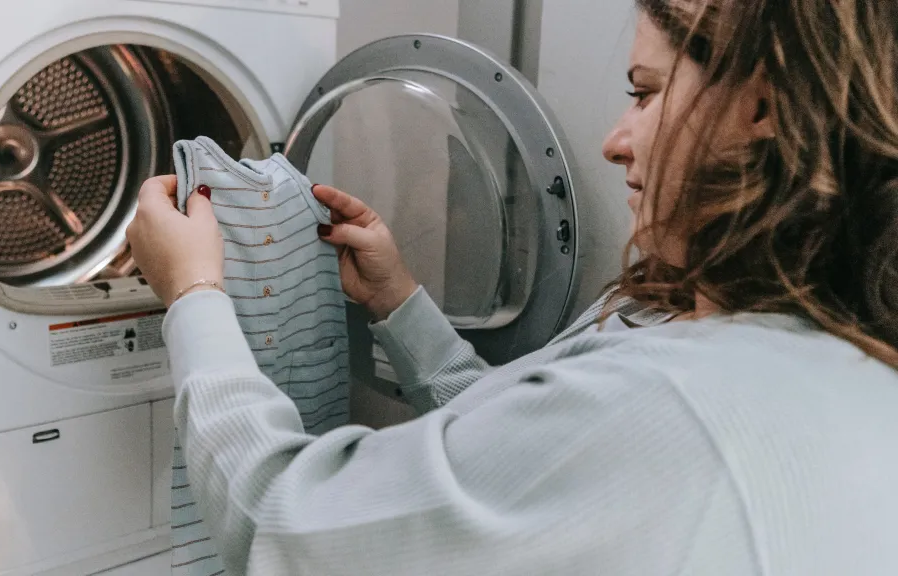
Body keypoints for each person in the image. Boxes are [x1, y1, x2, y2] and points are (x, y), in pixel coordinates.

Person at [126, 0, 898, 574]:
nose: (615, 141)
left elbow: (280, 524)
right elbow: (524, 457)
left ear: (761, 104)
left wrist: (195, 293)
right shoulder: (820, 353)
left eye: (645, 92)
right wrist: (399, 303)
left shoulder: (674, 402)